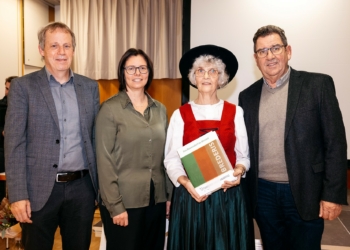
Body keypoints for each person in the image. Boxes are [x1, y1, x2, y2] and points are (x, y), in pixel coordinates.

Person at [238, 25, 348, 250]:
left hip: (305, 190)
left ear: (288, 51)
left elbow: (335, 143)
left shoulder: (317, 85)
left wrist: (333, 195)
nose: (269, 56)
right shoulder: (247, 96)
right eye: (262, 51)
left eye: (275, 48)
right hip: (263, 193)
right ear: (255, 58)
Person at [5, 22, 100, 250]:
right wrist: (17, 195)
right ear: (41, 49)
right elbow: (14, 144)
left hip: (82, 189)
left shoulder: (90, 87)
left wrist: (100, 189)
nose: (61, 52)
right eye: (54, 46)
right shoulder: (23, 87)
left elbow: (96, 140)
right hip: (38, 190)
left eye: (67, 46)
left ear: (73, 50)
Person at [164, 45, 252, 250]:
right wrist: (187, 184)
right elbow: (171, 159)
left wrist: (238, 171)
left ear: (221, 78)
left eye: (213, 71)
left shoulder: (235, 112)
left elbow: (243, 156)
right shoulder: (180, 114)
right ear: (193, 77)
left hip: (227, 197)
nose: (206, 76)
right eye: (200, 71)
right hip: (191, 197)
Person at [96, 48, 172, 250]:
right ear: (122, 72)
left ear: (149, 72)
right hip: (124, 202)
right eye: (131, 68)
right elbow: (104, 161)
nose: (137, 73)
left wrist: (169, 196)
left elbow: (166, 156)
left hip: (156, 201)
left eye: (142, 68)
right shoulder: (110, 109)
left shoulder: (160, 110)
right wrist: (115, 206)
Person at [0, 76, 17, 199]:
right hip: (2, 151)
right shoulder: (0, 107)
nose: (7, 92)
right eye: (6, 89)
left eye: (10, 89)